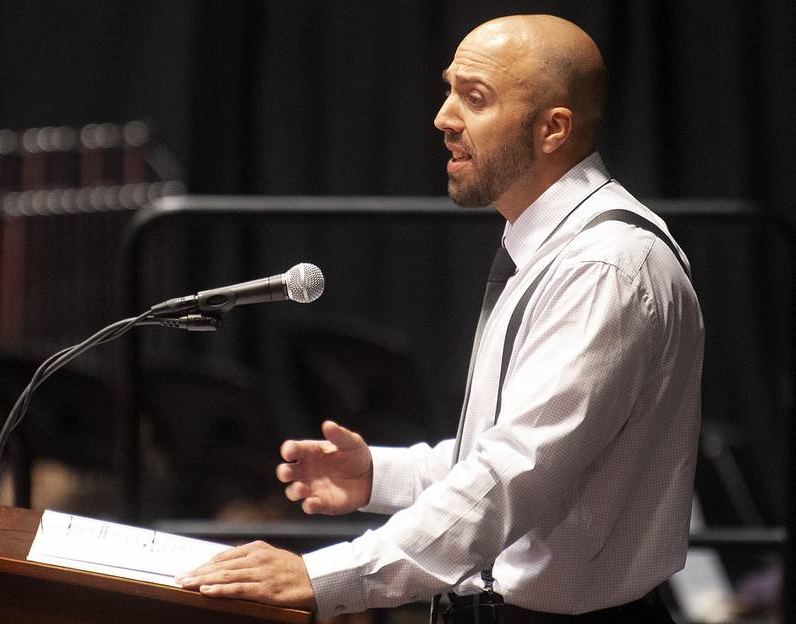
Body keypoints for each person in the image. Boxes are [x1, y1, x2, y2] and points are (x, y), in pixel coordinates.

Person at [176, 14, 703, 623]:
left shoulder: (605, 266)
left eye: (474, 98)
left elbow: (516, 476)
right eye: (449, 89)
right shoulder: (556, 246)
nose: (443, 117)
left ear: (552, 129)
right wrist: (380, 475)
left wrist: (323, 576)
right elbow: (521, 455)